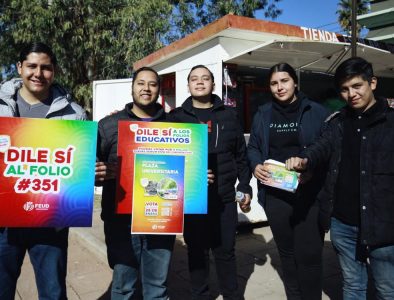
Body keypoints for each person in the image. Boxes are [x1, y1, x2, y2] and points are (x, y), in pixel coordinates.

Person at [286, 57, 394, 300]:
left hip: (384, 224)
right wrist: (305, 160)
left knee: (388, 290)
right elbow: (320, 147)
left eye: (357, 86)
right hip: (343, 223)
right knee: (353, 287)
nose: (351, 94)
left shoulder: (390, 122)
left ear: (373, 83)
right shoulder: (337, 122)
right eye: (345, 89)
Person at [0, 42, 86, 300]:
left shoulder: (75, 114)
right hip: (4, 223)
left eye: (46, 67)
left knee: (53, 293)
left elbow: (78, 166)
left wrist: (92, 171)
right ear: (19, 67)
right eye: (32, 66)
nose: (38, 73)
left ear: (54, 71)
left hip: (51, 223)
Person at [168, 65, 252, 300]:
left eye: (205, 78)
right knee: (197, 253)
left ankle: (232, 295)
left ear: (213, 85)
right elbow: (165, 158)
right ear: (188, 85)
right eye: (194, 79)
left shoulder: (229, 115)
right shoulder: (176, 118)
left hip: (224, 199)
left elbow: (241, 157)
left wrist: (244, 187)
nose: (200, 82)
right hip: (192, 200)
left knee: (225, 252)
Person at [247, 63, 329, 300]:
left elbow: (328, 149)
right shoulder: (263, 113)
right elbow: (253, 147)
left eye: (284, 81)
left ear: (295, 82)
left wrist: (311, 168)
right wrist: (255, 166)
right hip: (276, 195)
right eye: (274, 83)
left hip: (309, 195)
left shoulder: (316, 111)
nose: (279, 87)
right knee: (287, 256)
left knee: (310, 257)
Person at [95, 67, 175, 300]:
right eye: (141, 83)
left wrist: (200, 177)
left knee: (157, 288)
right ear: (132, 87)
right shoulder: (109, 125)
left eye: (152, 84)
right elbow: (89, 168)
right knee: (123, 287)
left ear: (158, 89)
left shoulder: (175, 125)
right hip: (120, 220)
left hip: (161, 219)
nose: (146, 88)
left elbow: (188, 167)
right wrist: (98, 172)